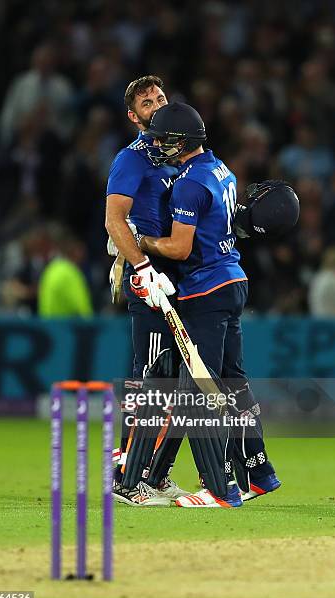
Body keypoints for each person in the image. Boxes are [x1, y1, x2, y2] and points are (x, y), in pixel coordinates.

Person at [125, 102, 283, 507]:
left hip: (205, 290)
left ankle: (220, 488)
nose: (159, 144)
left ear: (183, 142)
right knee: (233, 385)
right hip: (232, 281)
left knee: (198, 389)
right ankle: (260, 472)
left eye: (166, 139)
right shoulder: (220, 169)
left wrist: (137, 243)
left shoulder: (188, 184)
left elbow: (179, 248)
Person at [105, 76, 190, 506]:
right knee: (151, 379)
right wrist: (140, 267)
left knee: (170, 381)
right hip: (153, 277)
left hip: (184, 276)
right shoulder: (131, 158)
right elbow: (113, 220)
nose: (156, 104)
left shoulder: (181, 154)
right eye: (146, 101)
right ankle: (128, 477)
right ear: (133, 117)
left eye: (159, 97)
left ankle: (152, 475)